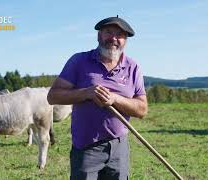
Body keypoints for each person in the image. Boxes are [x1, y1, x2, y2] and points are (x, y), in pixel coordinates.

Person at [47, 16, 148, 180]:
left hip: (119, 147)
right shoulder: (79, 61)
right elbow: (53, 96)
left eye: (120, 35)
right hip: (87, 148)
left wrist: (114, 99)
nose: (114, 38)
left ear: (125, 40)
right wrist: (86, 93)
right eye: (109, 32)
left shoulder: (133, 67)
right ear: (99, 35)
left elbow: (142, 109)